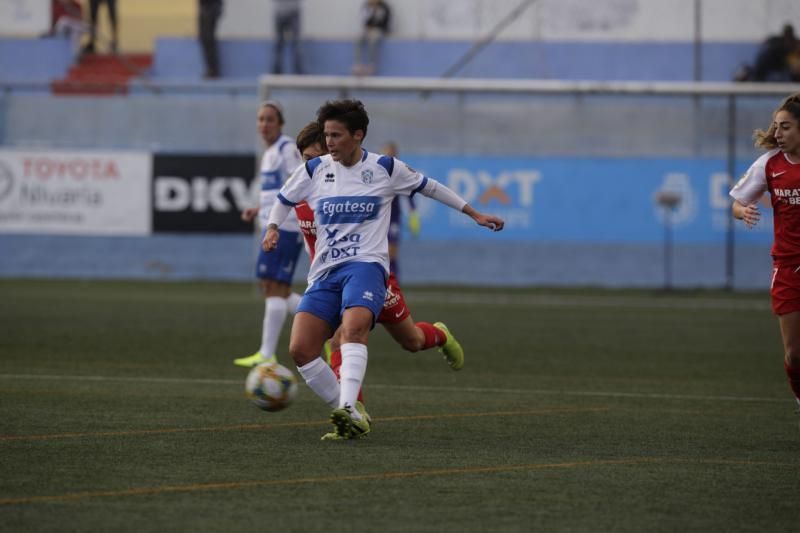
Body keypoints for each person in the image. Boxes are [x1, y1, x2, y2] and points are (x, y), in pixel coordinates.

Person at [263, 99, 505, 440]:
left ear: (358, 135)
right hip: (326, 274)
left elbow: (429, 186)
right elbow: (283, 199)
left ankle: (349, 408)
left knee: (352, 330)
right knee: (302, 349)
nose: (329, 143)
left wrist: (475, 214)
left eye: (335, 135)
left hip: (368, 269)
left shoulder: (385, 169)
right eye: (326, 136)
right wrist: (272, 227)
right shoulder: (315, 171)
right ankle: (352, 412)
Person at [292, 121, 467, 440]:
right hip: (331, 283)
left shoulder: (352, 187)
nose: (311, 165)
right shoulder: (301, 197)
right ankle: (353, 415)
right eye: (305, 159)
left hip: (372, 277)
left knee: (411, 340)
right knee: (338, 338)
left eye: (315, 157)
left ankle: (439, 335)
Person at [730, 91, 800, 417]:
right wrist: (742, 210)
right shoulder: (769, 164)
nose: (777, 134)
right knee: (794, 355)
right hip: (787, 267)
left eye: (785, 127)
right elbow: (736, 202)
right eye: (776, 127)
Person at [234, 101, 305, 368]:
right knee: (277, 289)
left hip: (286, 227)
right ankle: (327, 324)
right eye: (261, 119)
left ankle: (266, 353)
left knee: (272, 286)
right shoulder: (270, 152)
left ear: (280, 123)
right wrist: (259, 208)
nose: (264, 124)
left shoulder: (287, 149)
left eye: (270, 119)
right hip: (273, 224)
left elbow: (298, 184)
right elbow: (279, 191)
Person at [381, 142, 420, 278]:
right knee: (379, 254)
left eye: (392, 153)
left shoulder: (399, 173)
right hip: (378, 220)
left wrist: (413, 218)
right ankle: (381, 282)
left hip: (394, 219)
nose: (390, 156)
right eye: (387, 153)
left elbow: (410, 196)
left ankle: (393, 283)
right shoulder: (376, 172)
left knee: (392, 252)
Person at [735, 24, 800, 82]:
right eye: (786, 34)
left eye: (789, 35)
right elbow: (766, 43)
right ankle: (744, 75)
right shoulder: (777, 41)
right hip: (770, 66)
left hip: (782, 69)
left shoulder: (794, 43)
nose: (787, 39)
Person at [352, 0, 391, 76]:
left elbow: (385, 22)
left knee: (372, 40)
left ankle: (371, 65)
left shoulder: (384, 7)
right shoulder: (366, 6)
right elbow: (364, 20)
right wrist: (371, 11)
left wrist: (376, 12)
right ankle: (358, 65)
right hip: (368, 29)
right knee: (358, 38)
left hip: (380, 30)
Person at [272, 0, 303, 74]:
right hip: (288, 11)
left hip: (285, 11)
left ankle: (277, 71)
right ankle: (277, 71)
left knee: (282, 45)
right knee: (292, 44)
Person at [198, 0, 223, 79]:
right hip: (207, 6)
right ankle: (211, 69)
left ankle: (213, 70)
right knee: (205, 38)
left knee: (208, 38)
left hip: (211, 7)